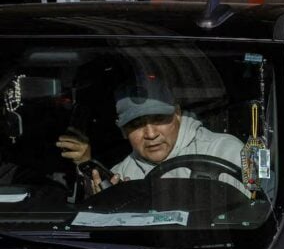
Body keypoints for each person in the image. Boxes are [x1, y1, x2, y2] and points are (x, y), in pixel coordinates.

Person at [57, 77, 247, 194]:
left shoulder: (225, 151)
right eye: (136, 125)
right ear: (123, 130)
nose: (151, 133)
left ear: (177, 114)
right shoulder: (121, 174)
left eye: (158, 119)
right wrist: (111, 202)